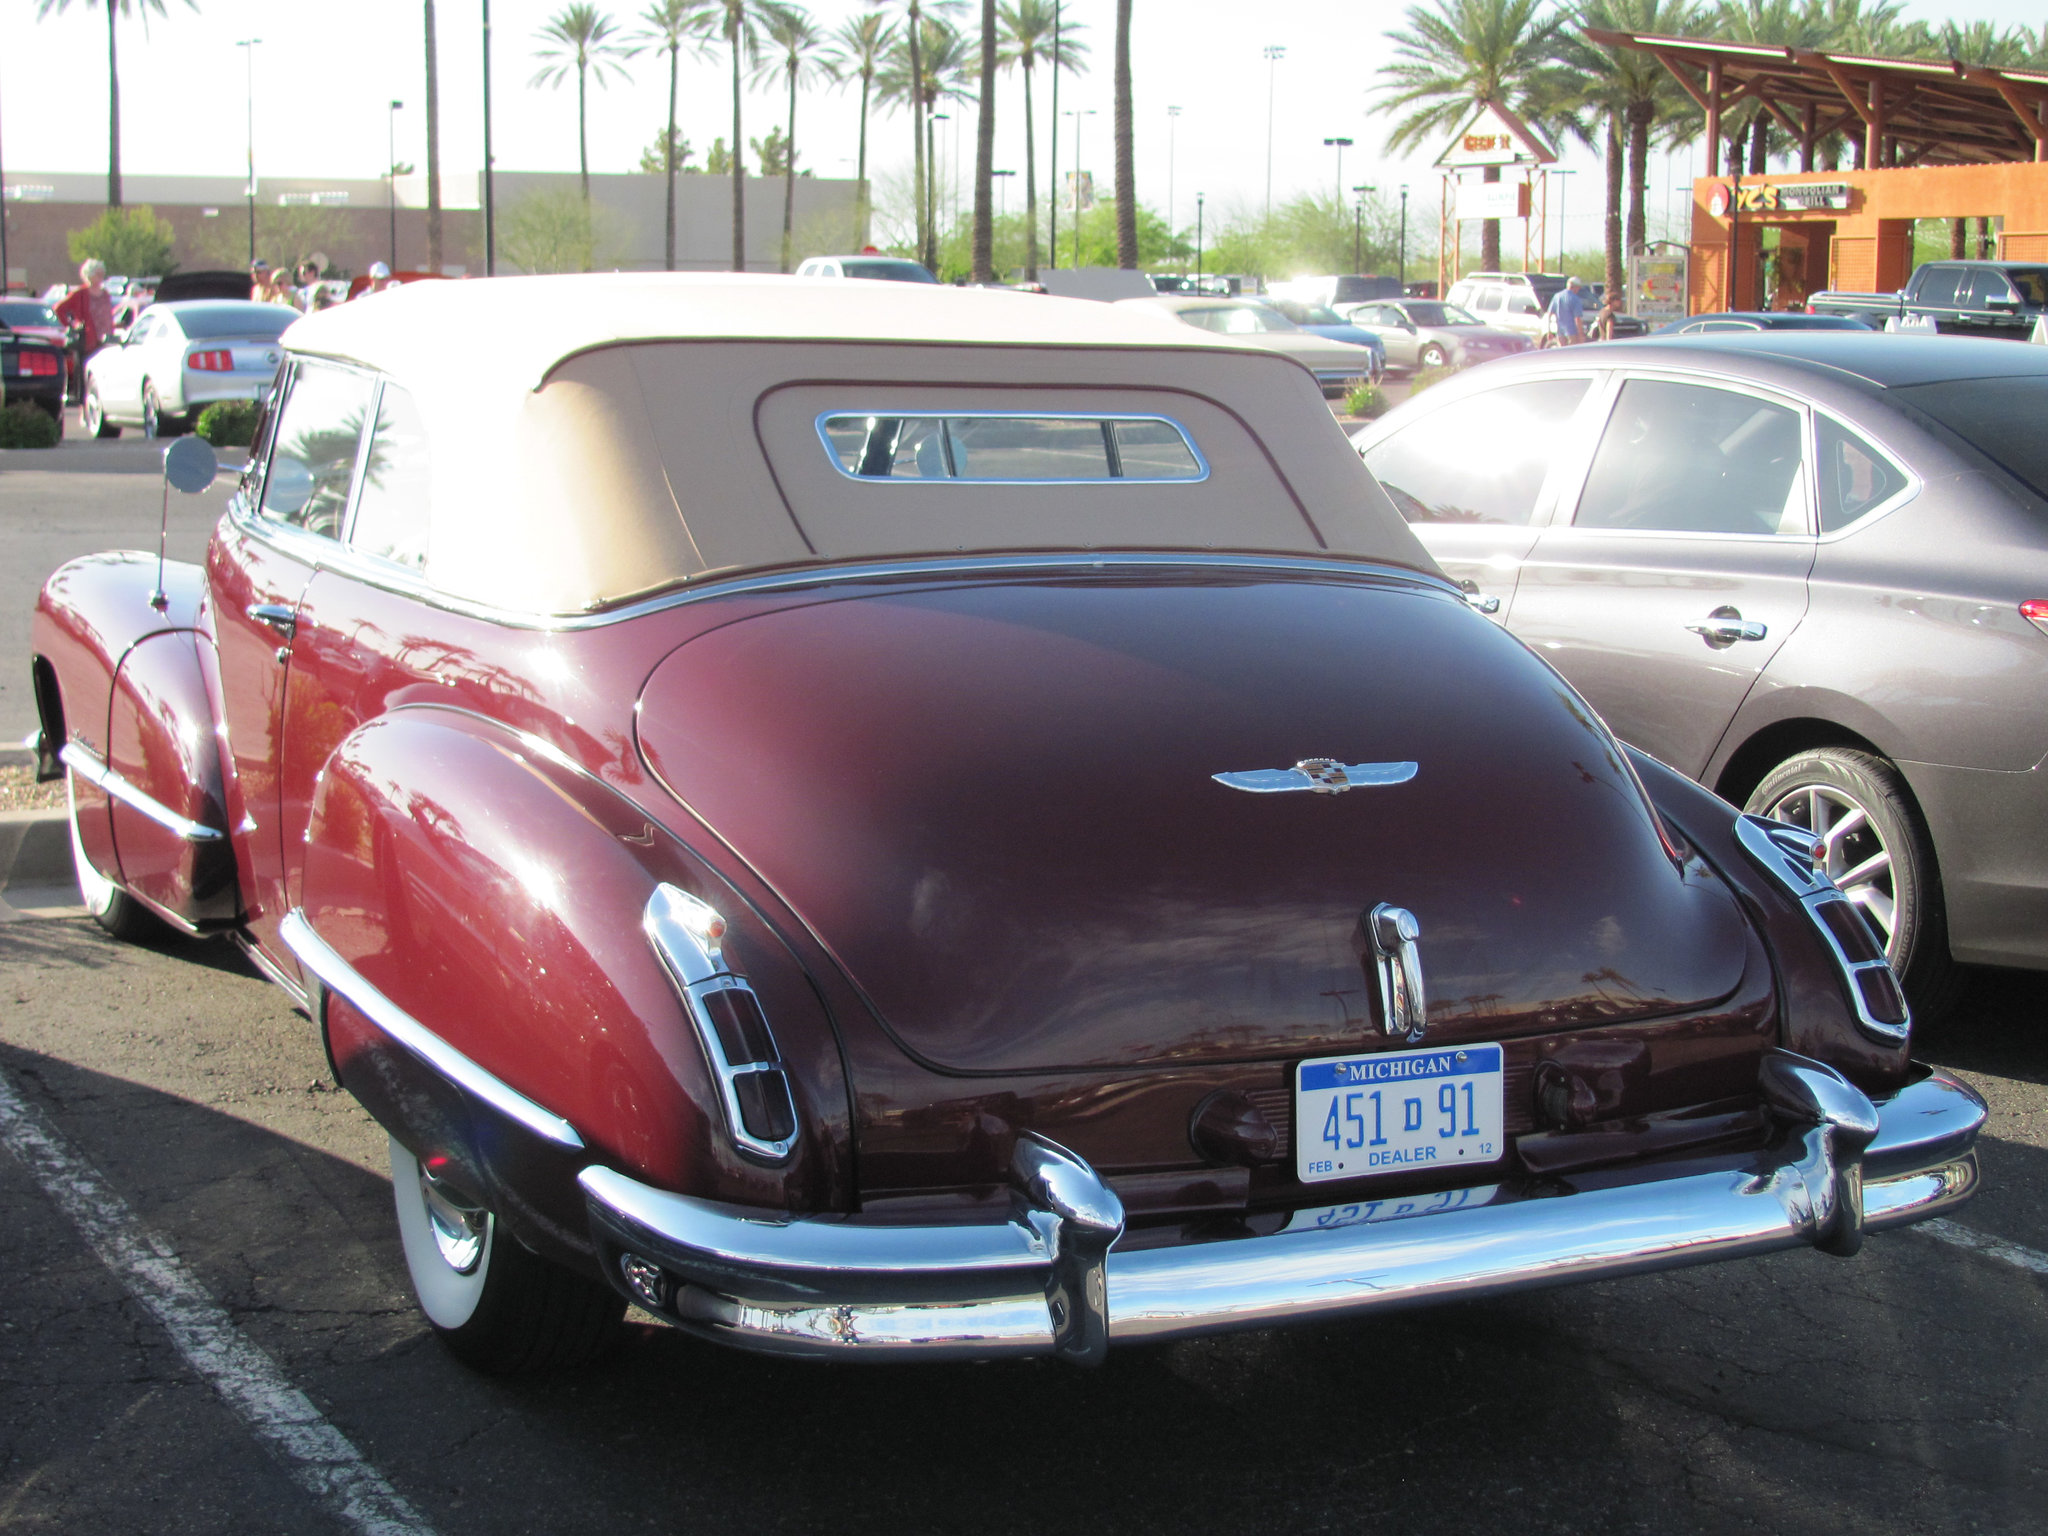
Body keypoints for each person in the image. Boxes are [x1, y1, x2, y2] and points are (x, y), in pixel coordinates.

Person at [52, 258, 115, 399]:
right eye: (98, 274)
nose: (101, 277)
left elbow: (108, 315)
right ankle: (84, 405)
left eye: (102, 273)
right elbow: (59, 309)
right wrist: (72, 325)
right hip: (87, 341)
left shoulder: (105, 294)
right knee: (86, 376)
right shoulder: (80, 294)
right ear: (89, 275)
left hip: (105, 339)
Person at [1547, 275, 1588, 346]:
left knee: (1562, 354)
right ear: (1575, 287)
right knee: (1572, 354)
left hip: (1560, 332)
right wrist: (1581, 334)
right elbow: (1577, 318)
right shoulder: (1575, 299)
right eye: (1578, 288)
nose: (1578, 290)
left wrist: (1549, 331)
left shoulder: (1557, 296)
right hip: (1572, 333)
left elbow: (1549, 314)